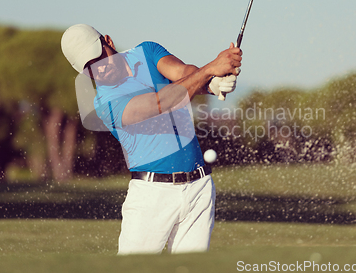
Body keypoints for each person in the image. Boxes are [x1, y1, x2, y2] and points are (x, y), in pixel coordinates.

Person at [61, 24, 241, 254]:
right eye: (90, 68)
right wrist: (210, 70)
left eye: (99, 58)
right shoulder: (105, 103)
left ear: (108, 41)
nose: (100, 70)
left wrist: (212, 83)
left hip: (200, 188)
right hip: (152, 196)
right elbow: (160, 103)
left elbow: (184, 72)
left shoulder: (146, 52)